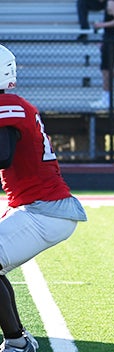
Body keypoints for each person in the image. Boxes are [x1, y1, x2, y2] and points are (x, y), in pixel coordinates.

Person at [0, 45, 88, 352]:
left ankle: (17, 342)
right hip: (34, 207)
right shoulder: (12, 103)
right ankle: (18, 339)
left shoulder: (7, 104)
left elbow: (2, 154)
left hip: (45, 210)